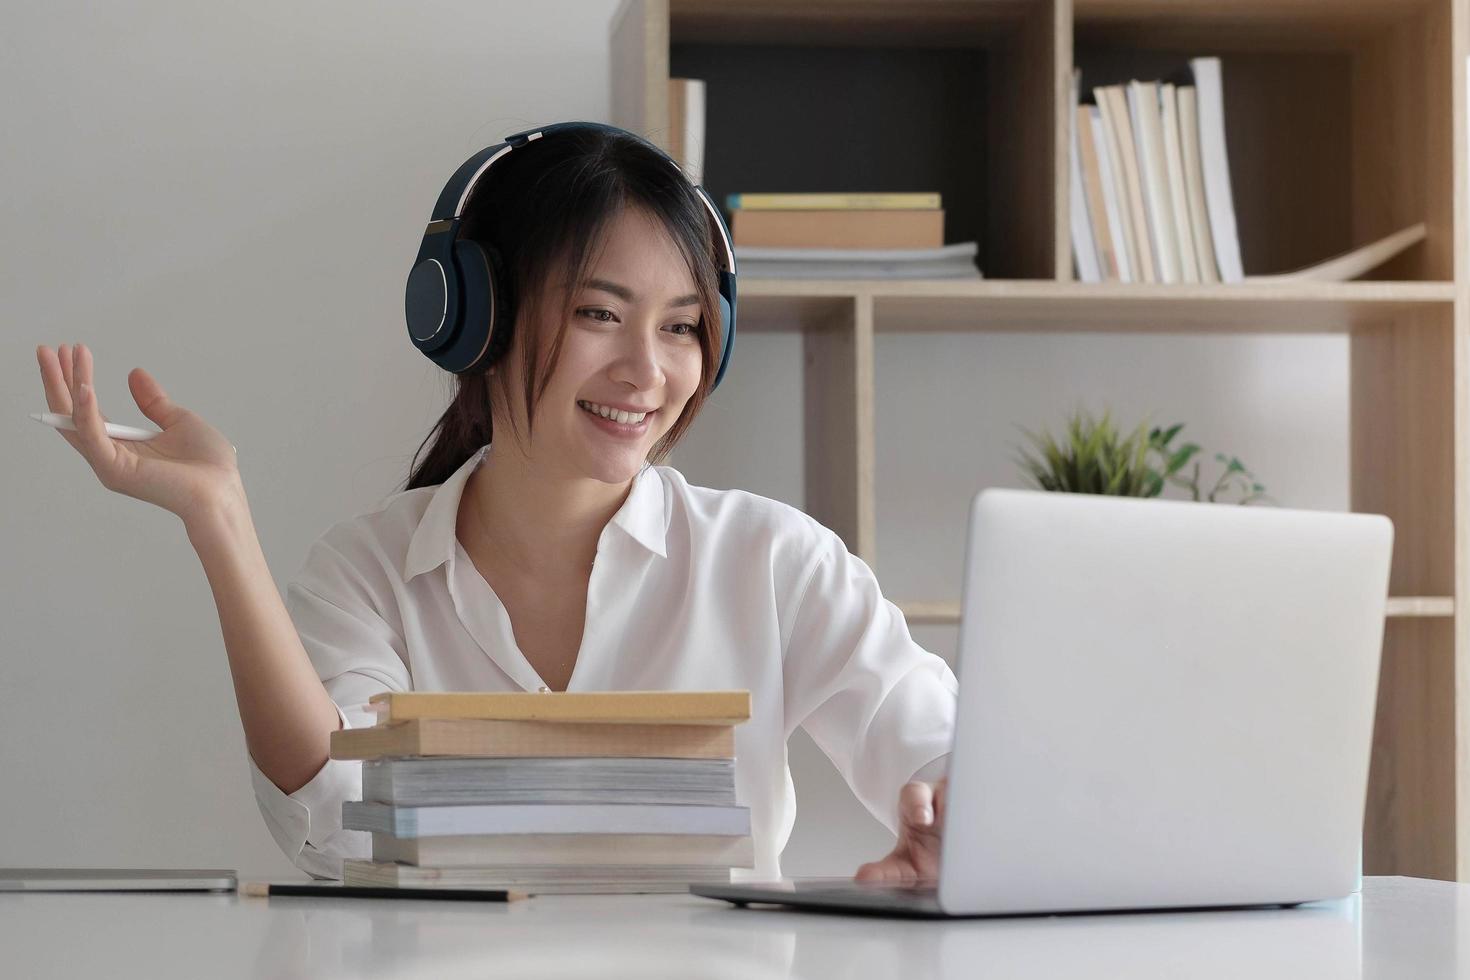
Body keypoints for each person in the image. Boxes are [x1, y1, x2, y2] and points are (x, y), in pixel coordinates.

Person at [31, 124, 953, 885]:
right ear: (474, 315)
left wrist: (953, 827)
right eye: (600, 314)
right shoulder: (367, 575)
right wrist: (220, 519)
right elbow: (333, 817)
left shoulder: (775, 561)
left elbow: (933, 745)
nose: (648, 370)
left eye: (679, 325)